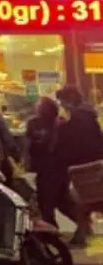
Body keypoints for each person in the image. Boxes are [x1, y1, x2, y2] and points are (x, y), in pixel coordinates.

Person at [54, 86, 102, 246]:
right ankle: (82, 232)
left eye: (62, 101)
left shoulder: (78, 118)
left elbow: (74, 142)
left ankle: (82, 234)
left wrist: (61, 128)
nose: (61, 105)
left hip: (84, 167)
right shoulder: (88, 115)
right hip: (93, 164)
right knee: (86, 201)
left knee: (83, 201)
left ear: (69, 99)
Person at [26, 96, 77, 228]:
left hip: (55, 167)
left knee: (50, 201)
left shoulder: (60, 124)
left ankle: (54, 230)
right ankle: (77, 225)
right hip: (46, 168)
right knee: (55, 201)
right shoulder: (34, 123)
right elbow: (29, 143)